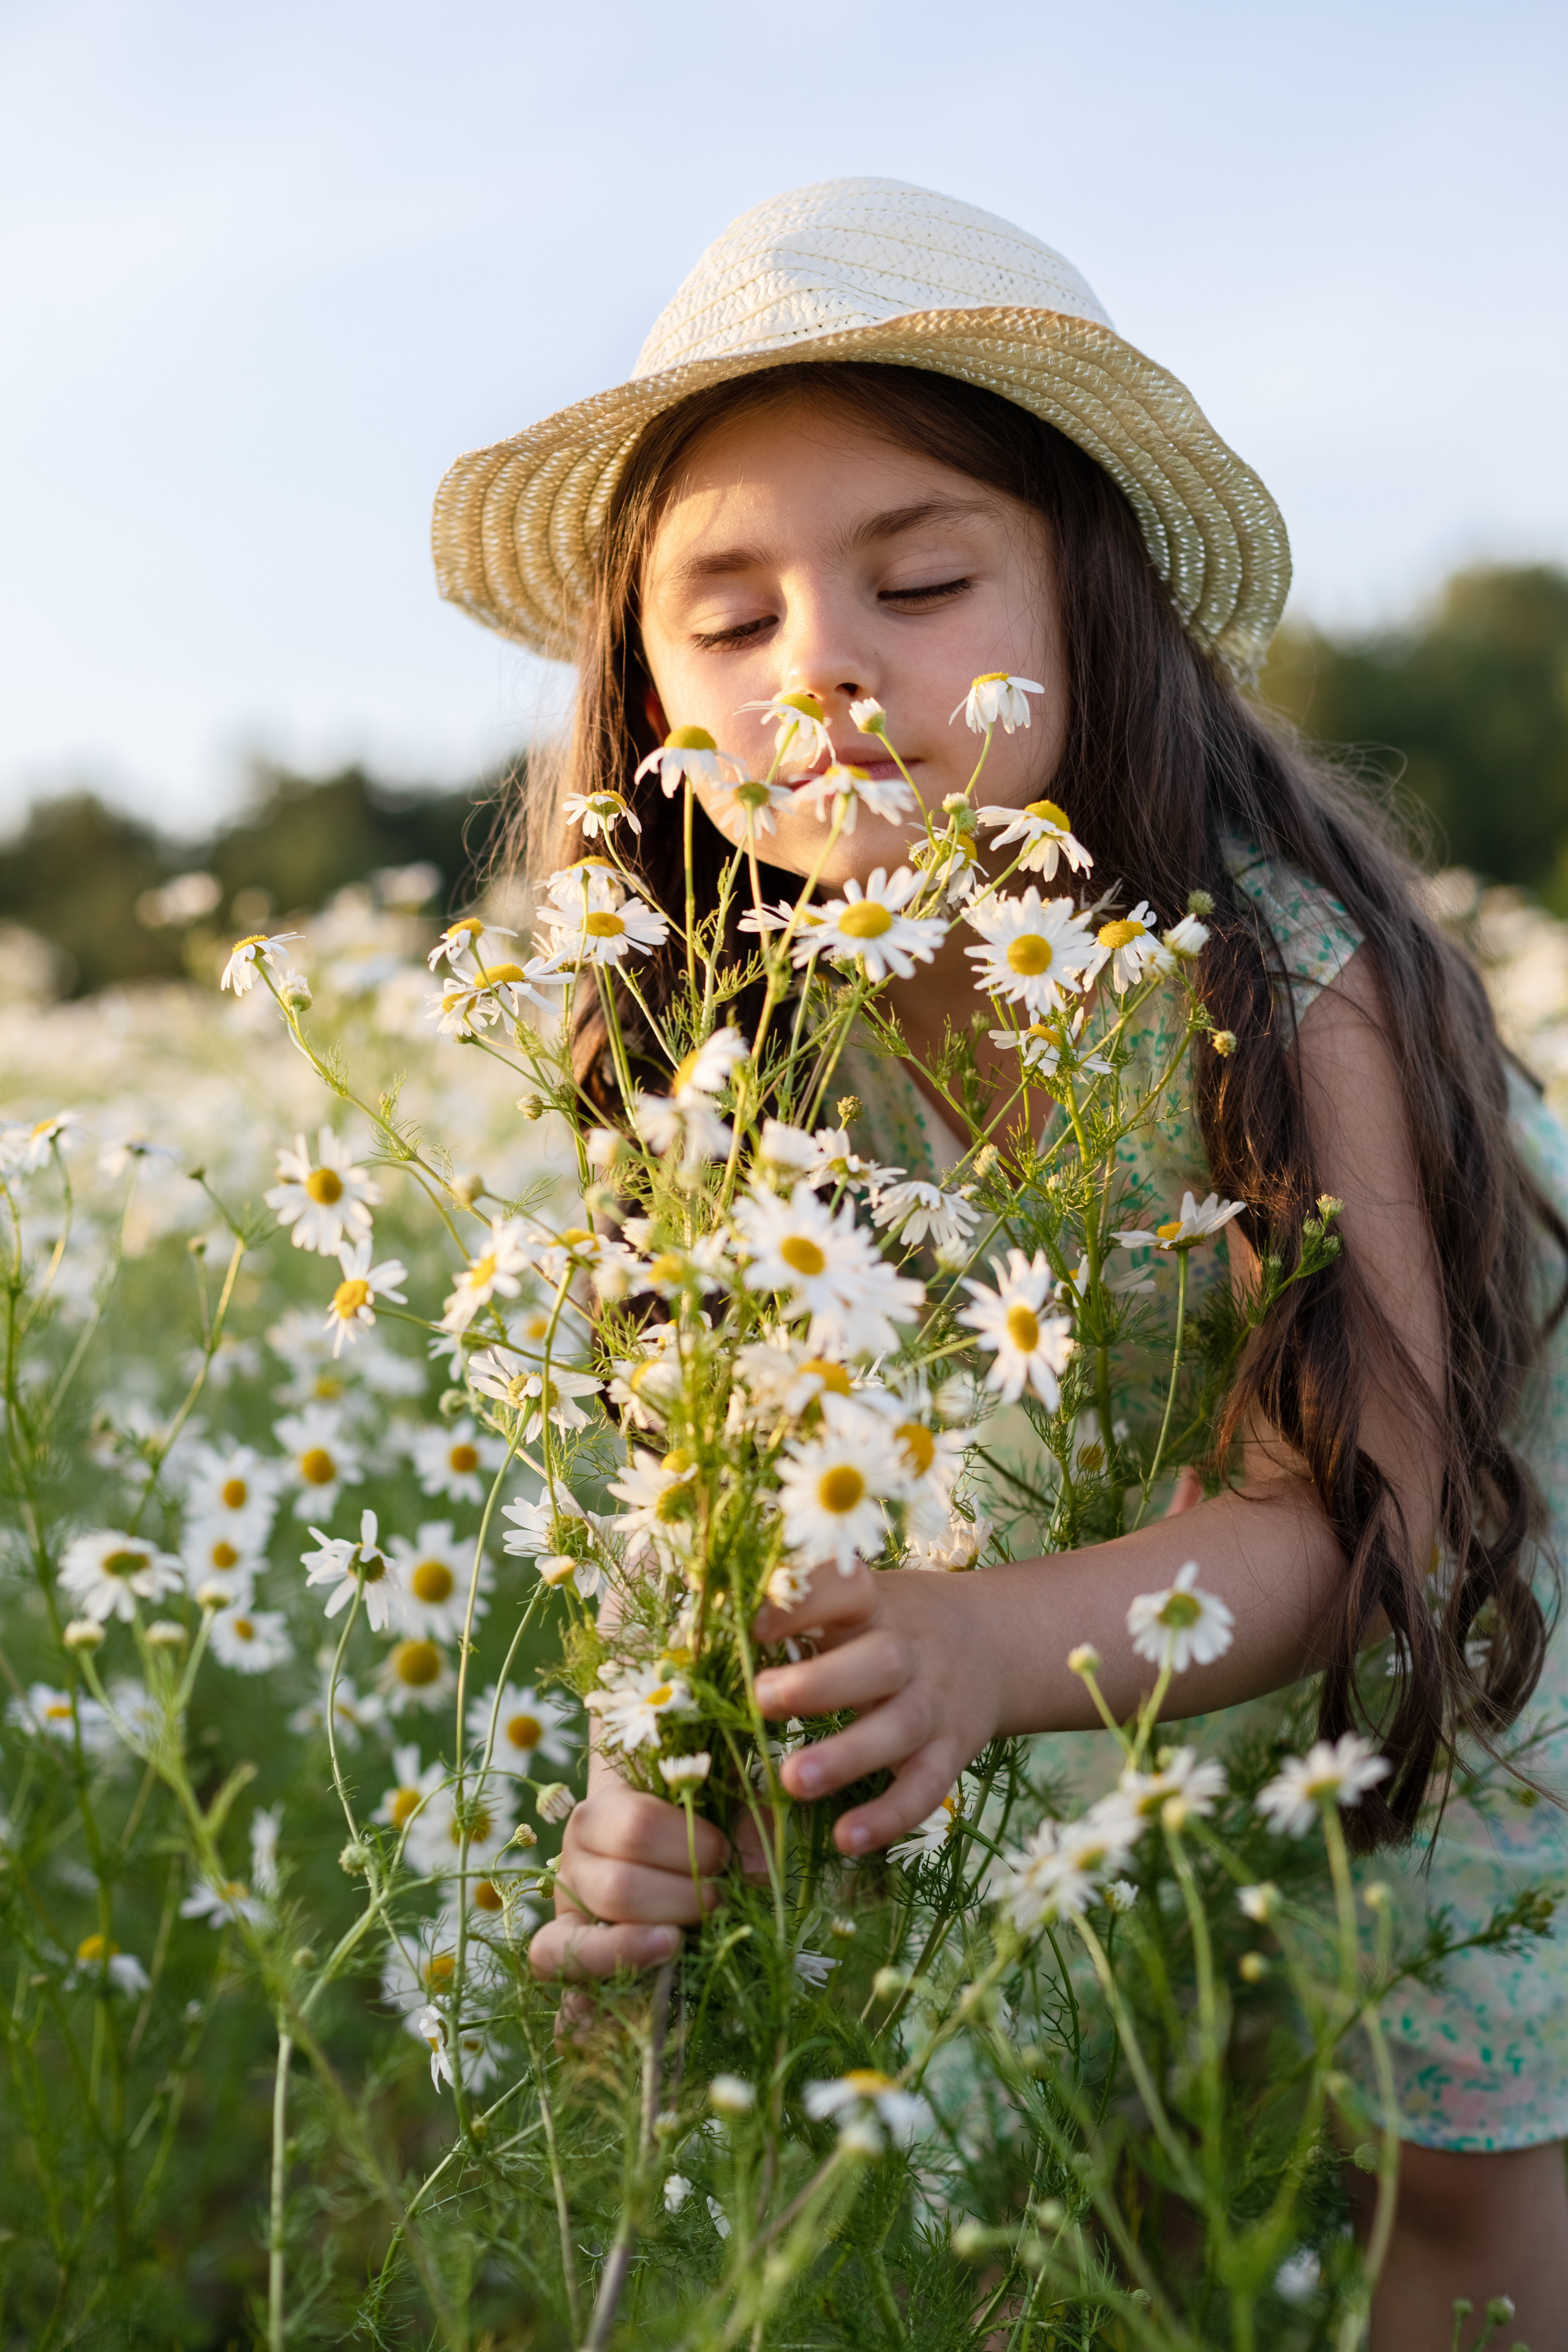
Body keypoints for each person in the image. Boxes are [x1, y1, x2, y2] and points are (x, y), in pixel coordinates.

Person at [432, 179, 1568, 2345]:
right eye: (730, 620)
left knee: (1451, 2142)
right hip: (1085, 1587)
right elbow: (711, 1483)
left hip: (1470, 1588)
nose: (829, 666)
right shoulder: (726, 1038)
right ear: (647, 697)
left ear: (1098, 603)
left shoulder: (1282, 982)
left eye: (925, 579)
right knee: (1125, 2087)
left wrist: (978, 1649)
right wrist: (658, 1773)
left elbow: (1358, 1513)